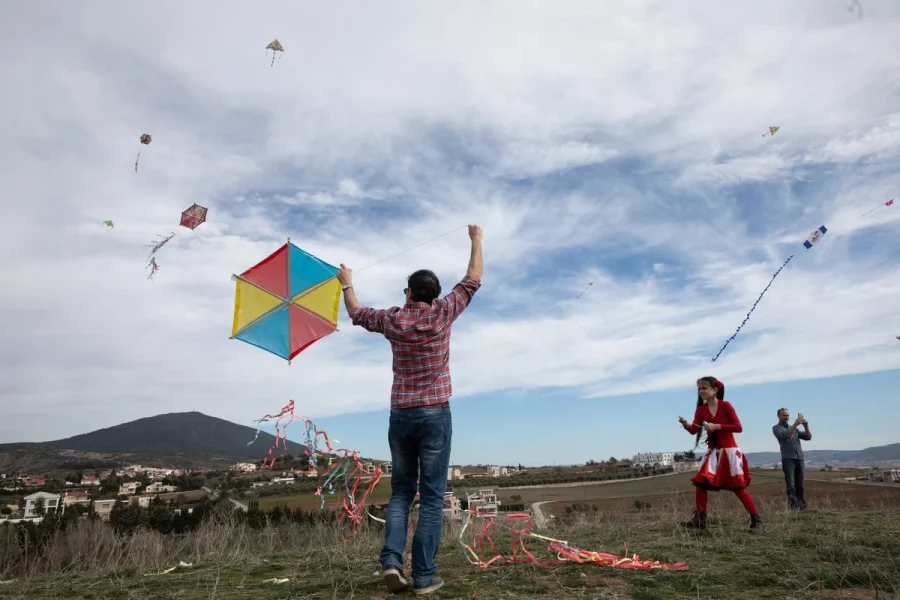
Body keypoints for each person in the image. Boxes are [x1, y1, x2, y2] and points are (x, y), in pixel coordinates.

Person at [336, 224, 483, 596]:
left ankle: (391, 562)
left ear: (409, 292)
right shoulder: (443, 312)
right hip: (435, 413)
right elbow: (473, 278)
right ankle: (424, 576)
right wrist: (476, 240)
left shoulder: (393, 319)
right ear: (434, 295)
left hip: (400, 415)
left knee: (402, 492)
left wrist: (346, 282)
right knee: (432, 496)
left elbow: (355, 312)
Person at [678, 376, 764, 534]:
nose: (701, 391)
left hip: (729, 452)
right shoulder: (701, 410)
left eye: (704, 388)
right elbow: (693, 430)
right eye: (699, 389)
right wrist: (685, 425)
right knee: (701, 484)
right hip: (713, 453)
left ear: (715, 390)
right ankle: (700, 520)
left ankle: (756, 521)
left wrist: (716, 426)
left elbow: (738, 427)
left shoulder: (726, 406)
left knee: (737, 488)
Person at [772, 408, 811, 510]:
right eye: (784, 415)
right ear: (778, 416)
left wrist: (806, 426)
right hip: (788, 459)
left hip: (800, 458)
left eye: (788, 415)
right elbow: (785, 435)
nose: (786, 418)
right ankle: (794, 507)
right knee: (791, 485)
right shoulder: (776, 428)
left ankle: (802, 506)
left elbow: (808, 437)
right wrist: (795, 425)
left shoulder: (794, 428)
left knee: (800, 485)